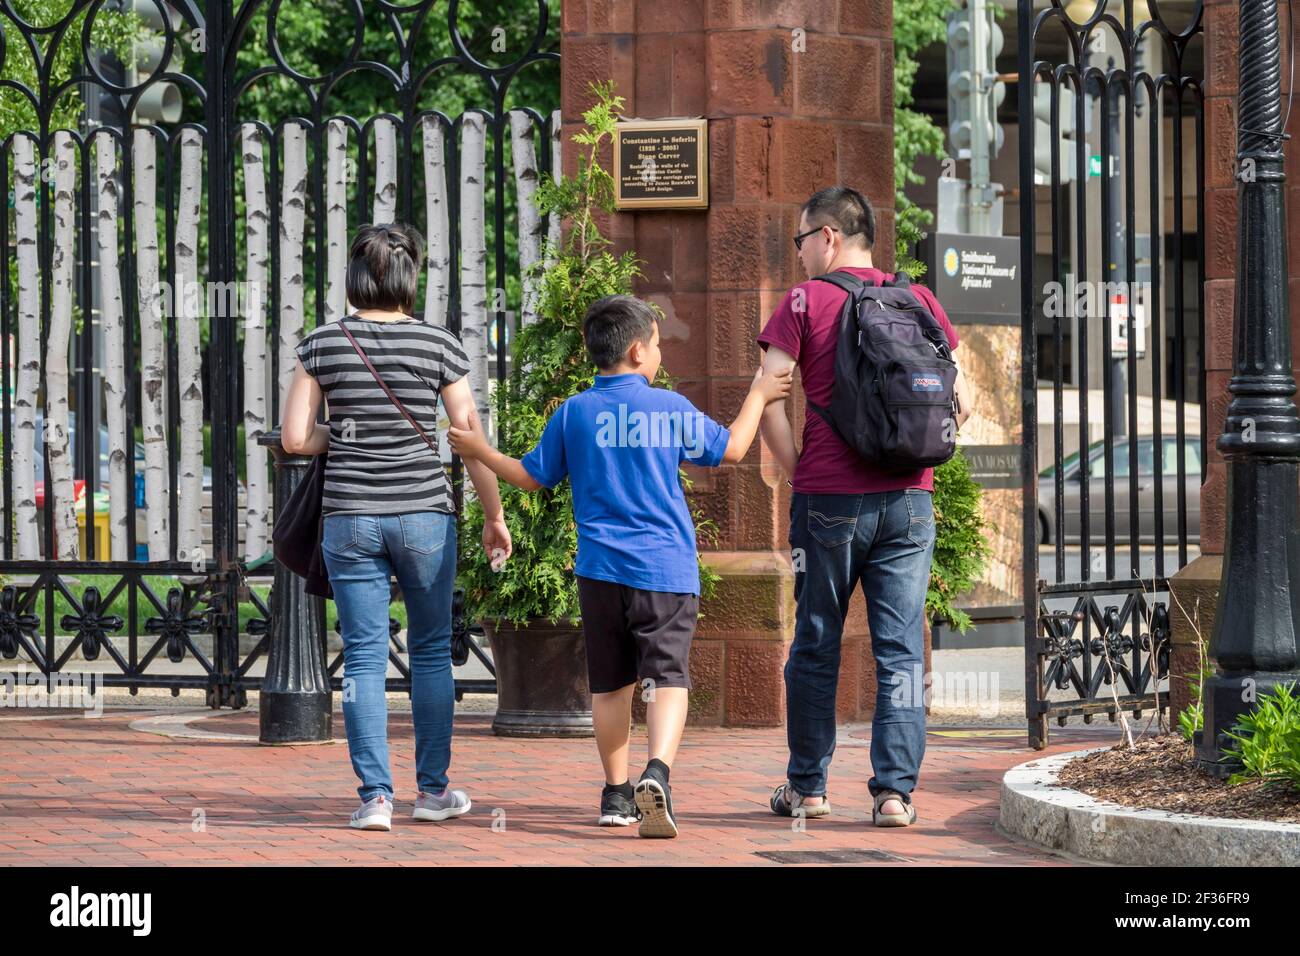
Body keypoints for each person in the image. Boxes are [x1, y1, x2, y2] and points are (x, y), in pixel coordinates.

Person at [449, 294, 792, 838]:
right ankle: (657, 773)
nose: (660, 352)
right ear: (637, 350)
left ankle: (614, 794)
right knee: (667, 677)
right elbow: (732, 450)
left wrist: (480, 450)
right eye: (657, 344)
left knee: (610, 685)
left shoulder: (575, 412)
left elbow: (530, 477)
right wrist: (756, 393)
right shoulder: (669, 408)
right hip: (664, 571)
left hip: (599, 571)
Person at [281, 222, 512, 831]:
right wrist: (494, 514)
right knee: (433, 653)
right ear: (411, 278)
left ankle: (375, 799)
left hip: (350, 518)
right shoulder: (439, 345)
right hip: (424, 519)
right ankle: (431, 792)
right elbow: (469, 441)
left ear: (355, 277)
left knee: (361, 657)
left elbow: (296, 439)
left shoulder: (322, 344)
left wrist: (349, 434)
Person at [757, 186, 972, 827]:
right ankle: (894, 795)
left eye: (800, 241)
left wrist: (800, 472)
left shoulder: (802, 301)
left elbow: (768, 396)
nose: (797, 255)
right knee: (901, 651)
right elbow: (962, 404)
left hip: (828, 501)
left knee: (817, 642)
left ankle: (808, 790)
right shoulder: (920, 300)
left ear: (827, 237)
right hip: (911, 501)